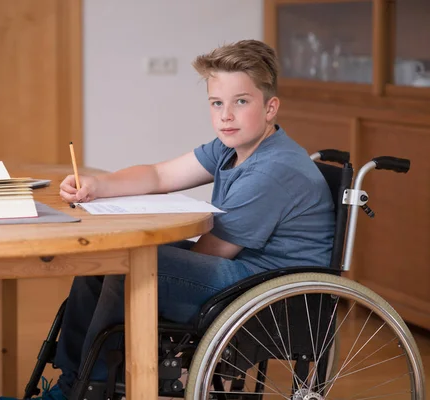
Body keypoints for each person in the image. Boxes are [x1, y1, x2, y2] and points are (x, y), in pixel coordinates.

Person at [31, 39, 335, 400]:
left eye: (241, 102)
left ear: (270, 108)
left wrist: (144, 255)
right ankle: (72, 384)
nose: (226, 115)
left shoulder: (273, 170)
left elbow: (211, 253)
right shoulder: (231, 147)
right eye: (217, 103)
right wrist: (98, 185)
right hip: (242, 271)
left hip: (267, 293)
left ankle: (92, 389)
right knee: (111, 256)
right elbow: (160, 175)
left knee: (130, 263)